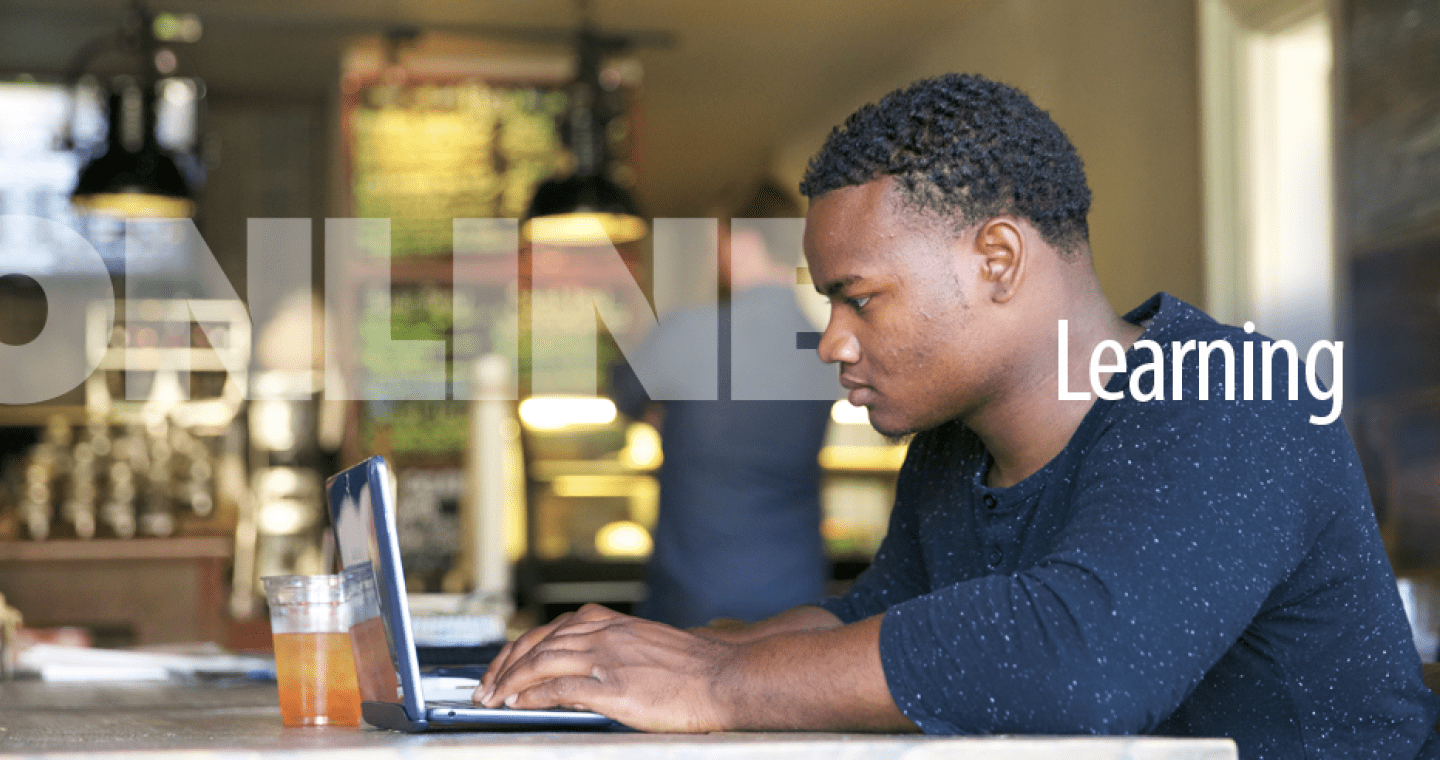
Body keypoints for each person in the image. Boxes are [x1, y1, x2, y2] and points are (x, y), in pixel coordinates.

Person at [478, 73, 1440, 756]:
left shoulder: (1231, 397)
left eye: (860, 298)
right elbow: (867, 624)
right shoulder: (953, 447)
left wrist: (717, 685)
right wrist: (645, 657)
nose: (833, 344)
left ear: (997, 261)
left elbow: (1085, 664)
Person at [609, 181, 835, 629]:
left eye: (724, 243)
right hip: (798, 597)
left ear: (745, 241)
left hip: (694, 595)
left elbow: (622, 391)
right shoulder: (826, 347)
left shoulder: (689, 331)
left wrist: (662, 415)